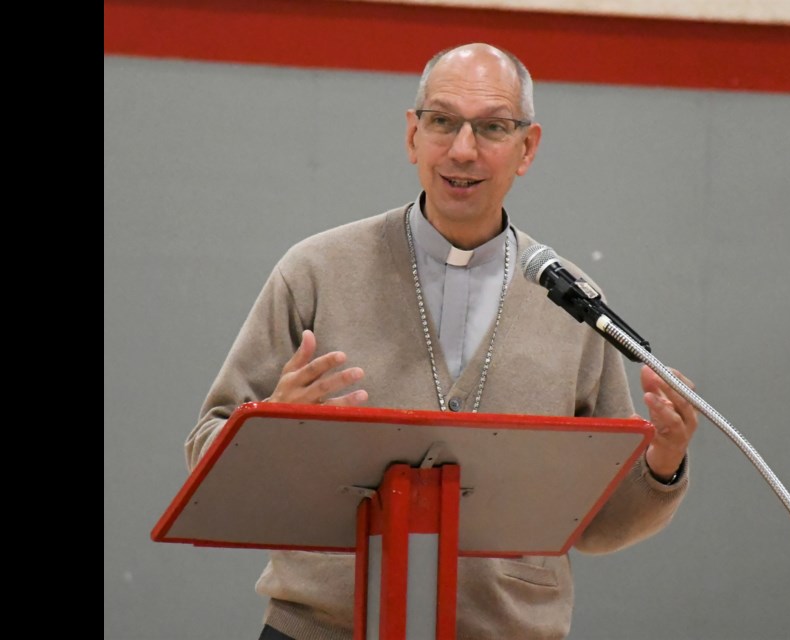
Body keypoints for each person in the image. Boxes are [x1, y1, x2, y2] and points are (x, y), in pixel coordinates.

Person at [186, 42, 697, 640]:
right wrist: (270, 425)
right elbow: (207, 450)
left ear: (527, 147)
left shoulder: (572, 301)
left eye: (492, 128)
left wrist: (663, 461)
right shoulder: (317, 271)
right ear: (412, 135)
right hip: (321, 628)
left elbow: (596, 524)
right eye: (443, 122)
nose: (462, 149)